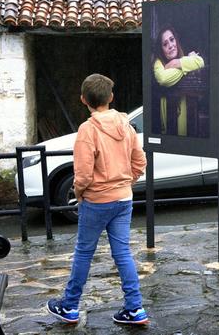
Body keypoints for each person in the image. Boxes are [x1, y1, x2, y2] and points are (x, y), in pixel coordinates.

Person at [47, 74, 148, 326]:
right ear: (111, 97)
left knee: (84, 253)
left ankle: (69, 307)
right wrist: (126, 182)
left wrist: (80, 195)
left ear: (83, 100)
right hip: (123, 198)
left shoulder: (87, 130)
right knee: (123, 253)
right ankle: (135, 308)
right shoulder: (126, 125)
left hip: (96, 200)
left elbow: (82, 175)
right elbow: (140, 162)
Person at [153, 25, 205, 135]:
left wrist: (176, 63)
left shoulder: (181, 59)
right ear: (161, 49)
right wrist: (187, 65)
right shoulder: (158, 63)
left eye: (172, 40)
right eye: (165, 44)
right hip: (167, 126)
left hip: (187, 122)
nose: (170, 45)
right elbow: (163, 78)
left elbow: (200, 62)